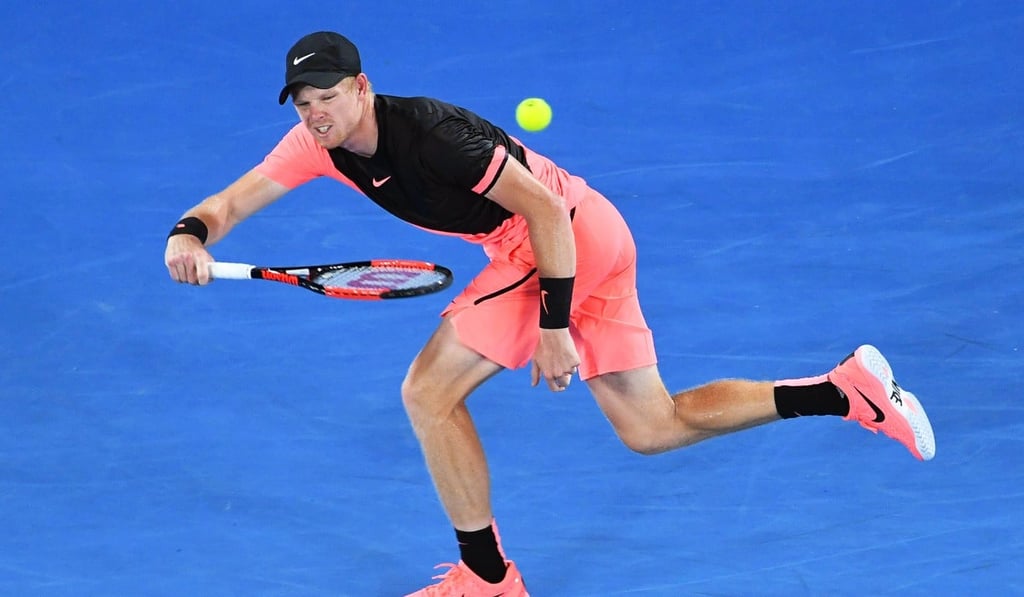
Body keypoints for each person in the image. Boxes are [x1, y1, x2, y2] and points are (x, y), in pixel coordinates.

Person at [164, 31, 936, 596]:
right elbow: (231, 201)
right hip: (586, 235)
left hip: (560, 240)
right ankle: (842, 391)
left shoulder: (437, 136)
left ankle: (487, 578)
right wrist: (190, 234)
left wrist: (555, 328)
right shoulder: (313, 145)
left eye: (328, 96)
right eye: (304, 102)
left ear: (362, 87)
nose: (316, 113)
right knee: (652, 427)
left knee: (427, 392)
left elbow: (546, 212)